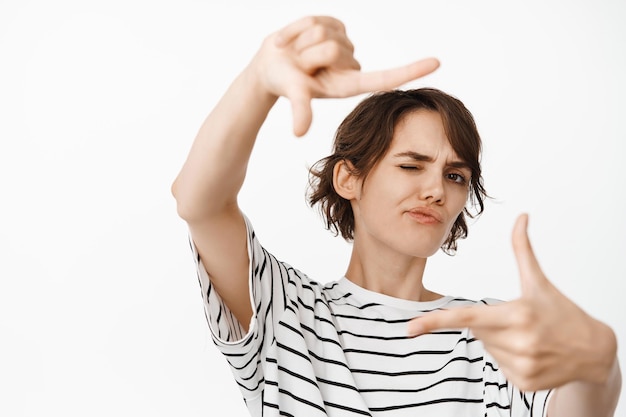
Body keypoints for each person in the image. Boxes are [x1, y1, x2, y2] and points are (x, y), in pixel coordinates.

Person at [171, 15, 621, 417]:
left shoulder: (493, 332)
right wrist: (258, 82)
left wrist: (598, 367)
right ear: (349, 179)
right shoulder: (286, 313)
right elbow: (199, 203)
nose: (436, 190)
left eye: (455, 176)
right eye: (410, 166)